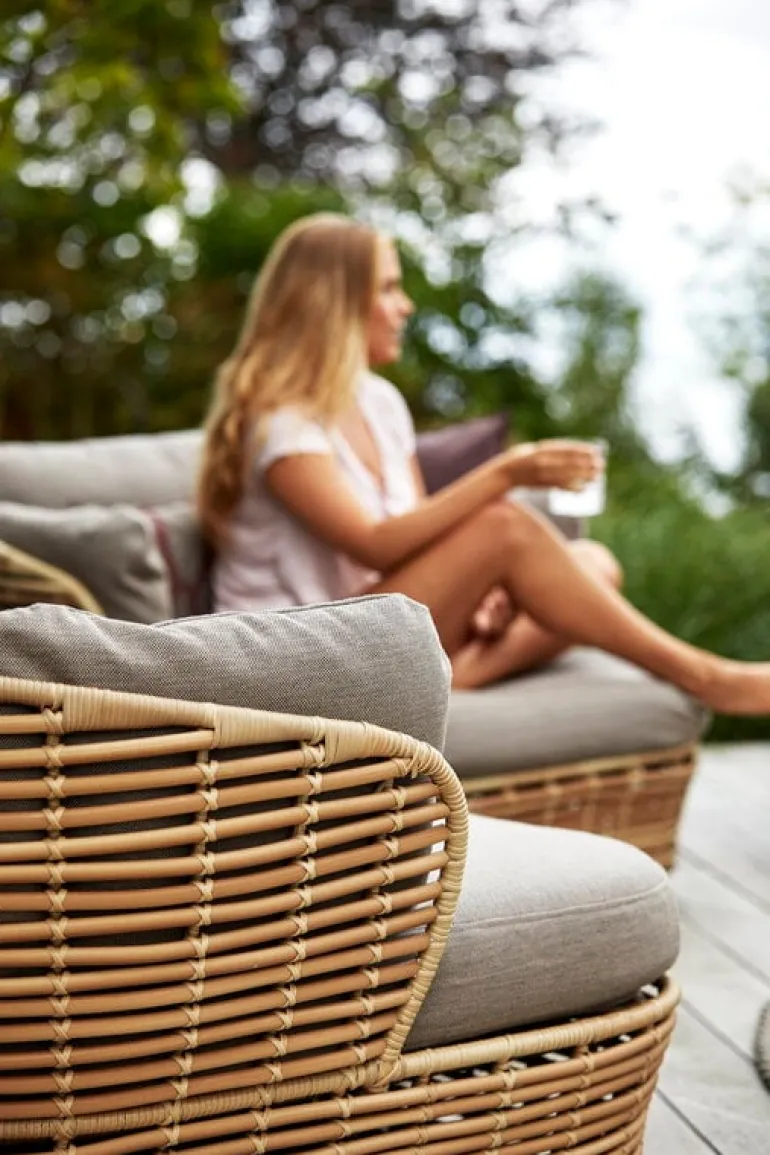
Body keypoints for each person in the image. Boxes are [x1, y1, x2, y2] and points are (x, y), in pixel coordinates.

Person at [198, 212, 770, 714]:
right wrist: (507, 473)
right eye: (390, 288)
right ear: (336, 302)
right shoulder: (279, 423)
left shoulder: (379, 402)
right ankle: (708, 678)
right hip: (299, 656)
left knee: (594, 562)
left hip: (379, 622)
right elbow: (375, 544)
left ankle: (461, 678)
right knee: (505, 526)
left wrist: (483, 585)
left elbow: (418, 535)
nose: (406, 306)